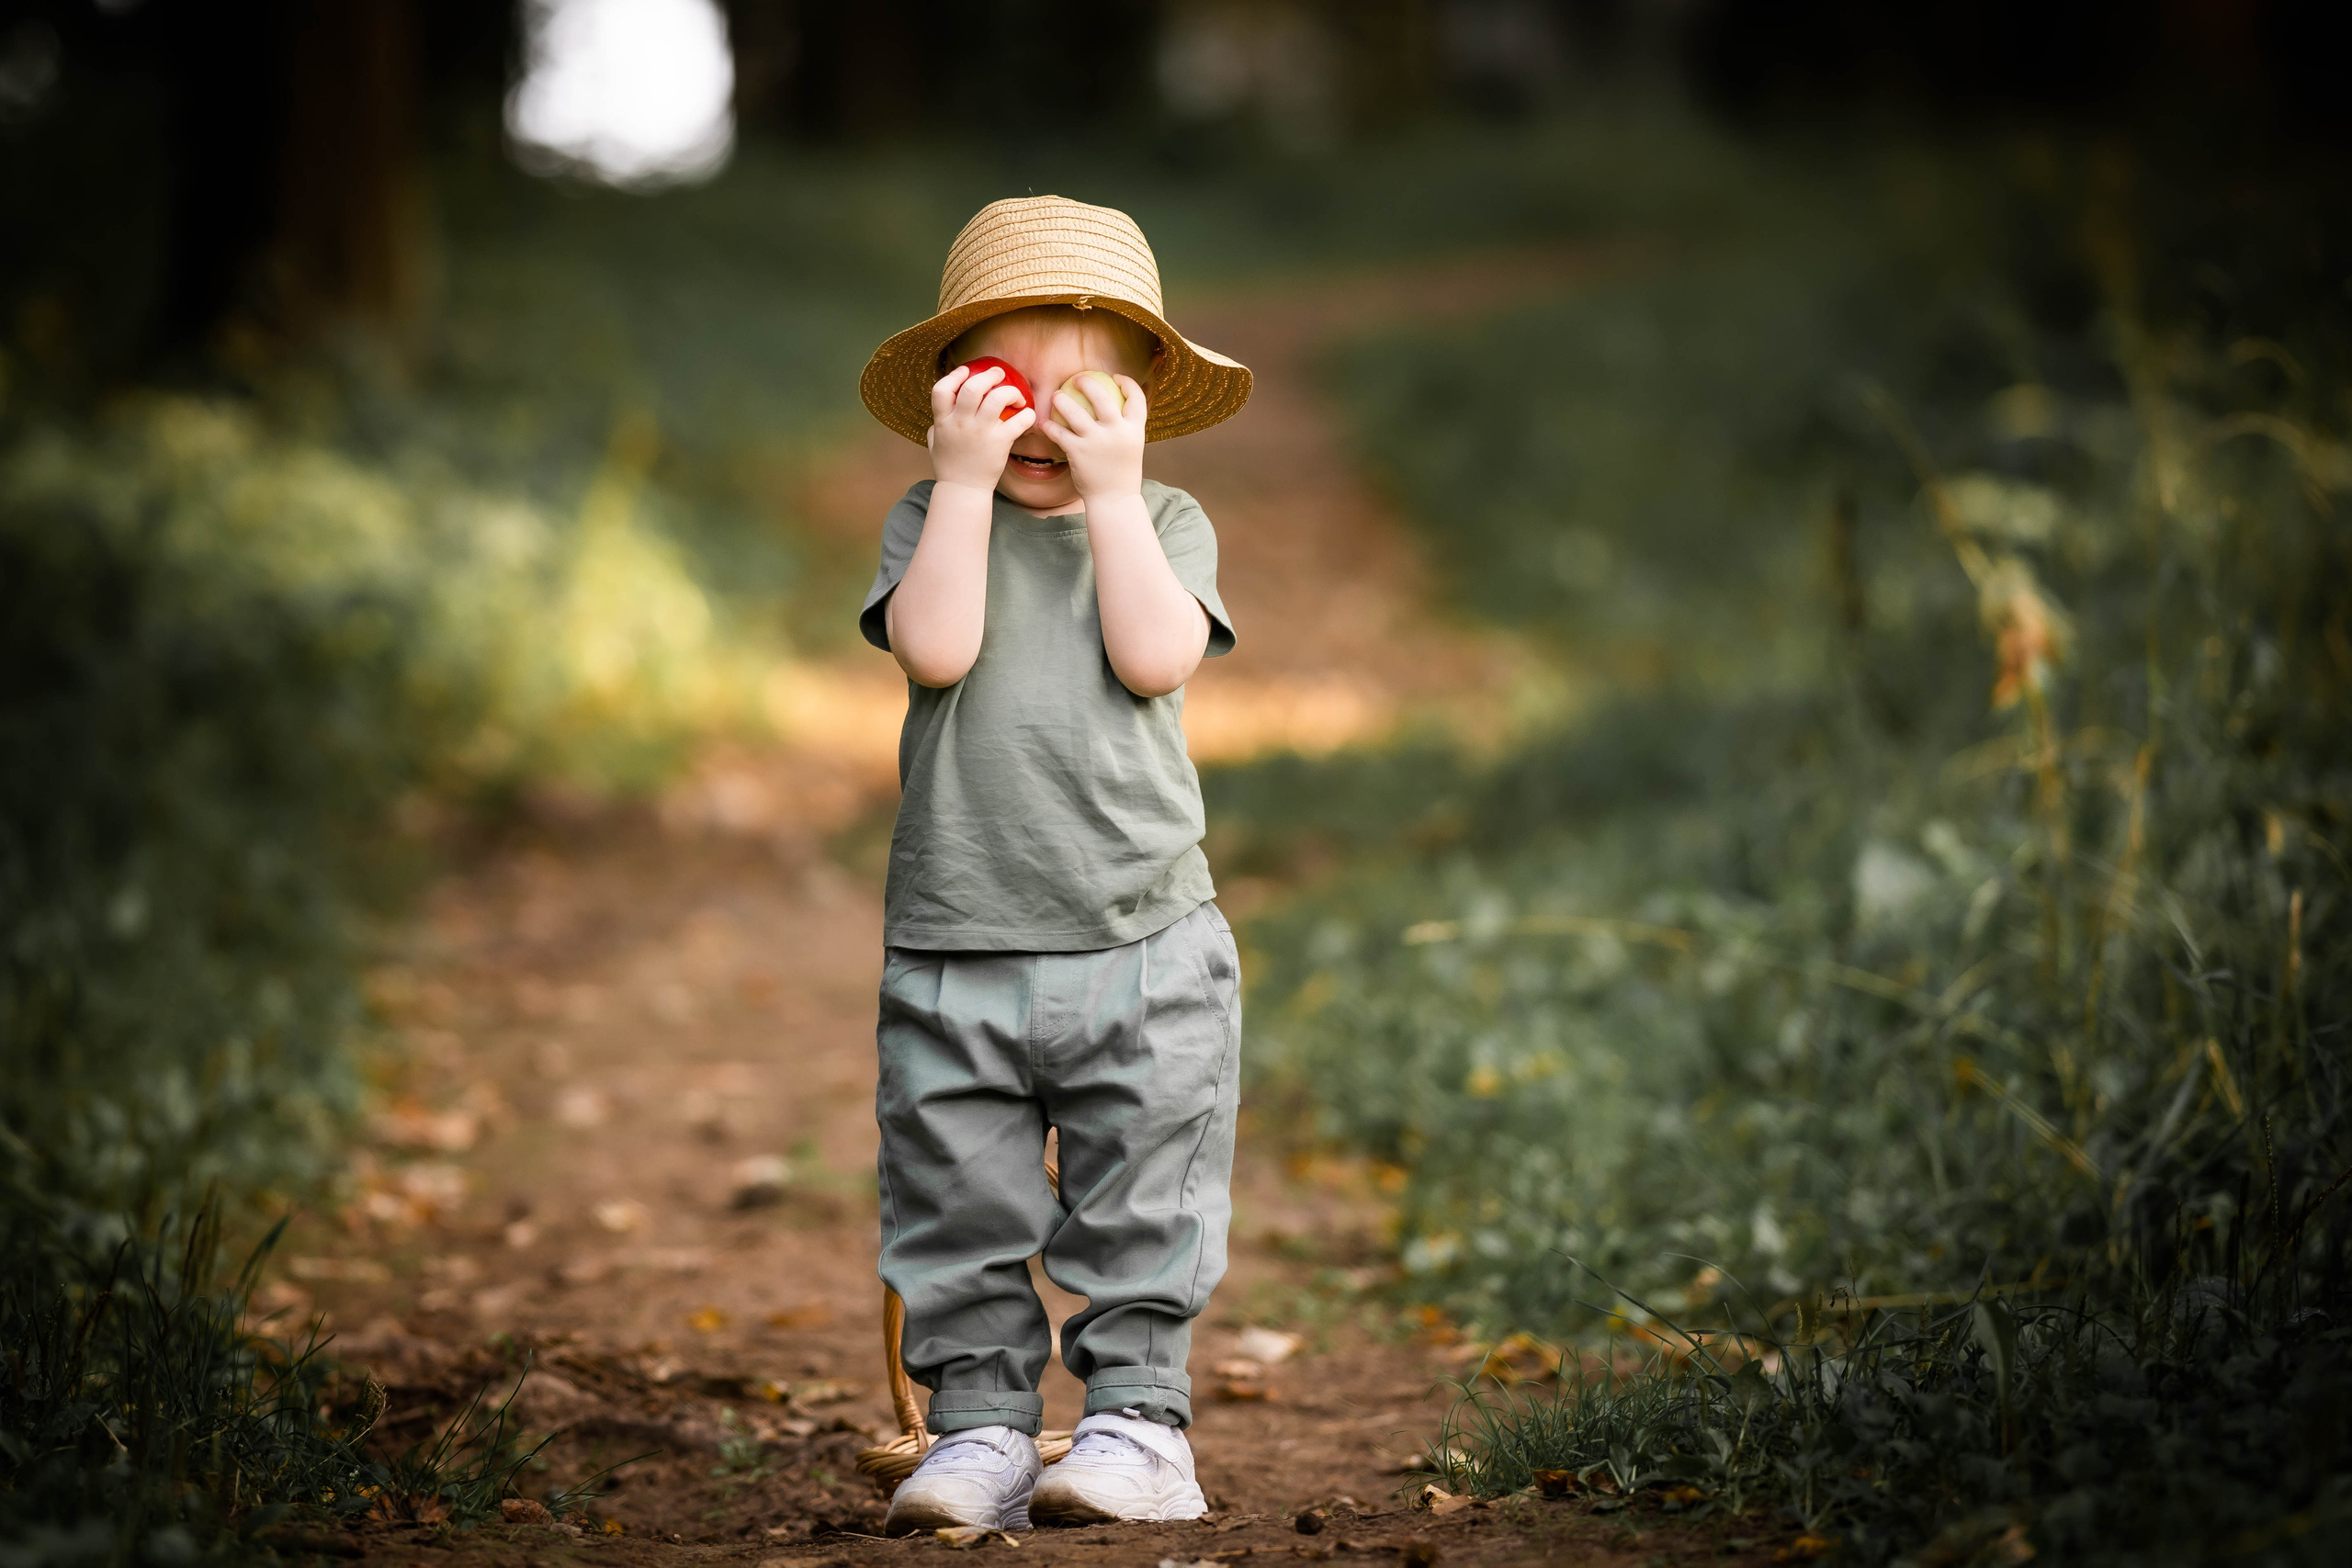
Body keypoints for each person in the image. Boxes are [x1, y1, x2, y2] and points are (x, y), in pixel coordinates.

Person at [852, 195, 1255, 1534]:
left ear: (1142, 412)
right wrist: (961, 485)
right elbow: (938, 651)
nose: (1044, 427)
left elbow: (1155, 657)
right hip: (958, 933)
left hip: (1143, 931)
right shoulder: (931, 517)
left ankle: (1139, 1426)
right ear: (953, 402)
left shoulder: (1167, 524)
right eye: (1009, 393)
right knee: (953, 1192)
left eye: (1089, 403)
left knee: (1145, 1186)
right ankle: (979, 1431)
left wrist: (1119, 496)